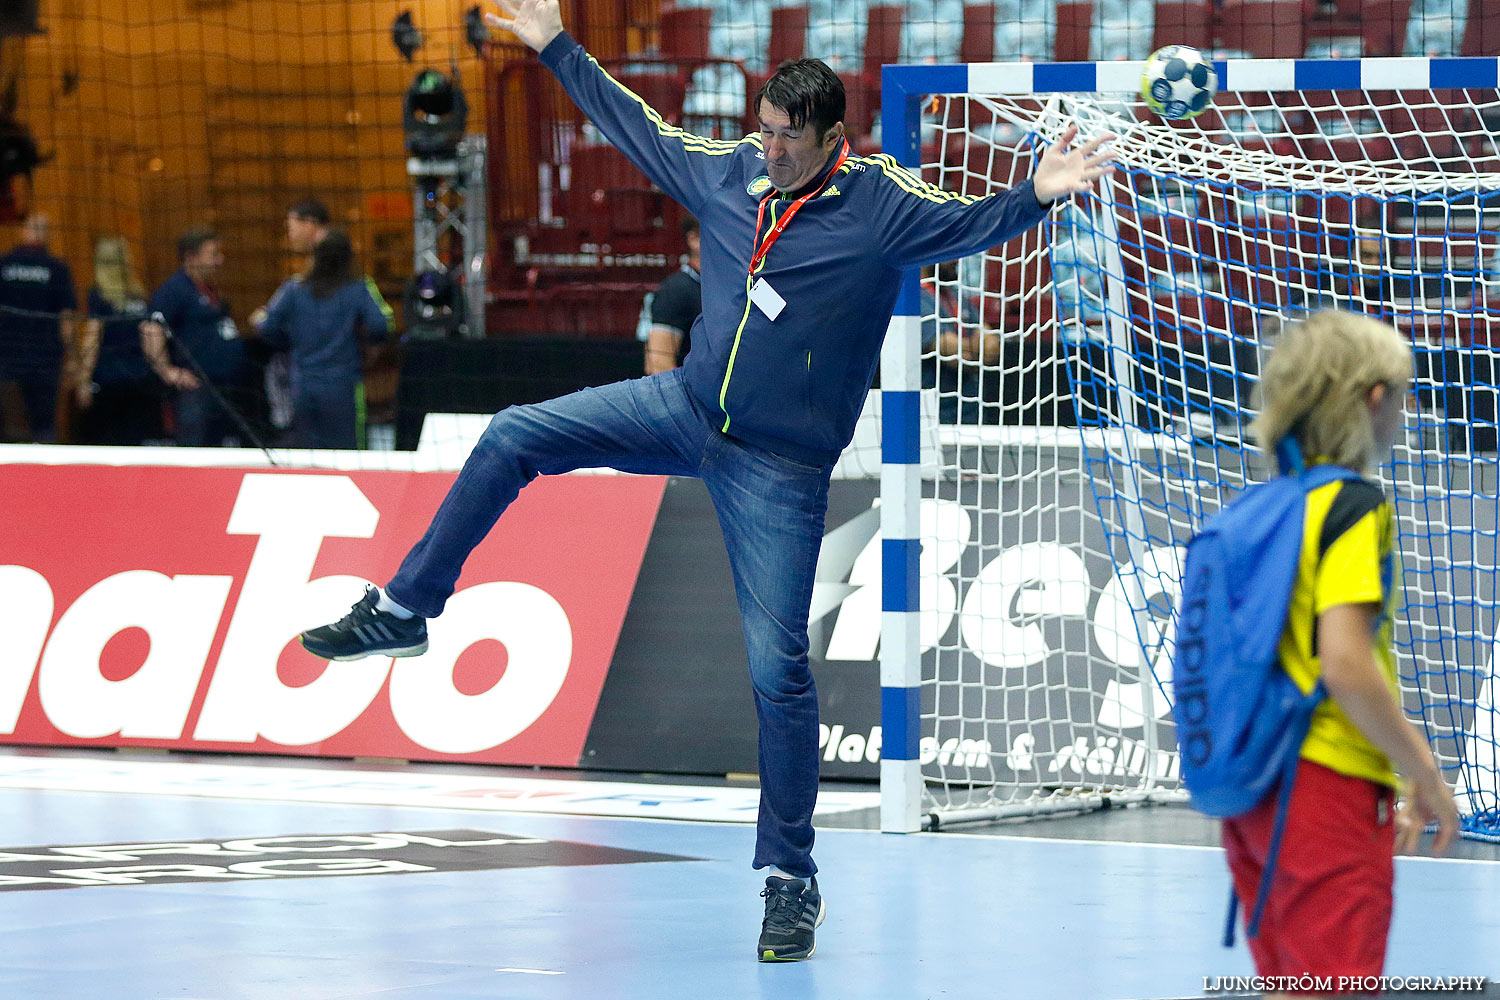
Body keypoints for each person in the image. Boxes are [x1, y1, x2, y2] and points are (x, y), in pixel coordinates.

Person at [299, 0, 1113, 963]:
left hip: (778, 467)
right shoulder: (730, 172)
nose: (764, 149)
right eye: (761, 130)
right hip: (684, 409)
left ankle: (789, 882)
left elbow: (966, 225)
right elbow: (637, 128)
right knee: (515, 434)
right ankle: (405, 609)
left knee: (777, 673)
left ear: (831, 139)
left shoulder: (880, 205)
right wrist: (558, 46)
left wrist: (1038, 194)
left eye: (785, 138)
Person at [1224, 310, 1459, 997]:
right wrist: (1421, 770)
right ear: (1374, 400)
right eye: (1405, 392)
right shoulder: (1354, 507)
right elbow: (1347, 664)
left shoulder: (1260, 508)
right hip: (1325, 787)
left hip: (1254, 794)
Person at [251, 229, 389, 449]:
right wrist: (370, 349)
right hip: (343, 386)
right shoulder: (359, 288)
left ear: (315, 257)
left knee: (309, 454)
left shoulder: (293, 289)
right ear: (348, 259)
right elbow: (380, 325)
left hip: (303, 386)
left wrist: (287, 339)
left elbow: (267, 326)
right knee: (348, 455)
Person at [140, 228, 250, 447]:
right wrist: (167, 371)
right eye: (213, 254)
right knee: (195, 450)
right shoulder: (175, 289)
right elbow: (150, 327)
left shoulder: (207, 289)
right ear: (191, 257)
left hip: (222, 389)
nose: (220, 260)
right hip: (195, 392)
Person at [74, 237, 162, 445]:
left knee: (109, 444)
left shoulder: (99, 295)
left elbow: (92, 339)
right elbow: (149, 336)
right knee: (136, 442)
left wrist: (83, 381)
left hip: (109, 381)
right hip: (139, 378)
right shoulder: (139, 296)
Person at [0, 213, 77, 442]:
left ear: (23, 232)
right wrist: (72, 358)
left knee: (10, 428)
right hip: (44, 360)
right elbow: (67, 318)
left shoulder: (4, 265)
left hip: (8, 359)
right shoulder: (57, 269)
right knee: (44, 426)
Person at [921, 259, 997, 424]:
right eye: (950, 253)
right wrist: (976, 346)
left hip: (971, 411)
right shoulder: (917, 298)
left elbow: (993, 346)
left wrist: (965, 349)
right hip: (935, 416)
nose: (957, 259)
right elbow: (949, 352)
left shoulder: (955, 296)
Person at [640, 214, 702, 374]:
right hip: (694, 396)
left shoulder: (724, 286)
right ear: (694, 239)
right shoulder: (676, 289)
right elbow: (657, 365)